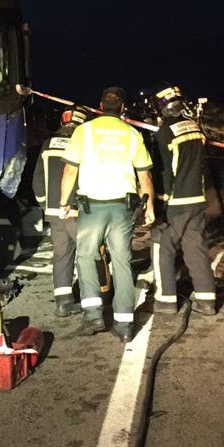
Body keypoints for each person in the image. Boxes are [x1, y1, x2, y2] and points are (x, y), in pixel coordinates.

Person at [59, 86, 155, 342]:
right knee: (122, 261)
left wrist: (63, 202)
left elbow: (70, 170)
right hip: (122, 208)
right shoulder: (132, 133)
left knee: (87, 256)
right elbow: (144, 174)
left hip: (92, 208)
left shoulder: (84, 131)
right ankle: (124, 326)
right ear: (123, 107)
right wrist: (150, 208)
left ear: (100, 105)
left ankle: (93, 316)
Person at [150, 85, 216, 315]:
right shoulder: (196, 128)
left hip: (176, 203)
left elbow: (164, 172)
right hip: (197, 199)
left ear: (162, 108)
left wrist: (160, 204)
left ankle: (166, 300)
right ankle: (207, 301)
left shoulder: (165, 133)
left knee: (163, 246)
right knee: (196, 247)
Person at [32, 105, 96, 317]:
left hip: (54, 213)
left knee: (61, 255)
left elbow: (37, 181)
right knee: (89, 255)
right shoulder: (84, 144)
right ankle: (92, 302)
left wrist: (45, 205)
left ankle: (63, 302)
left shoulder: (47, 144)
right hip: (77, 212)